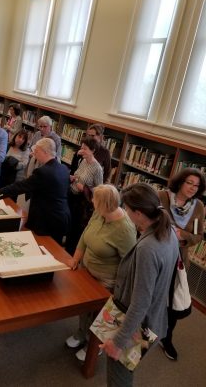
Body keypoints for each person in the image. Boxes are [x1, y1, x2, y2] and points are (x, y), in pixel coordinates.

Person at [100, 183, 178, 387]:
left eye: (126, 208)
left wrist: (118, 343)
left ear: (139, 213)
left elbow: (141, 301)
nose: (124, 212)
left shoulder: (148, 248)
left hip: (138, 325)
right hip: (155, 318)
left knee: (119, 376)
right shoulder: (168, 232)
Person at [65, 184, 137, 361]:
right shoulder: (100, 212)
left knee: (98, 314)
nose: (91, 201)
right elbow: (85, 235)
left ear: (105, 204)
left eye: (95, 200)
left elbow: (128, 264)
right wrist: (76, 258)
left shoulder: (125, 229)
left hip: (106, 280)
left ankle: (93, 345)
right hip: (86, 271)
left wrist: (117, 292)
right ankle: (82, 333)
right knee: (84, 308)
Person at [158, 167, 206, 360]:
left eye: (197, 185)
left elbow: (198, 236)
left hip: (178, 259)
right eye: (189, 183)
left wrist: (182, 235)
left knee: (172, 302)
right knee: (148, 293)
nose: (193, 188)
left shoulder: (198, 207)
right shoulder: (162, 197)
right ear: (180, 181)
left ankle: (166, 337)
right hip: (157, 254)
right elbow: (146, 221)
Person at [0, 138, 71, 244]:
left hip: (47, 220)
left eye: (36, 151)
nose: (33, 153)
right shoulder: (63, 168)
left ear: (44, 152)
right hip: (61, 218)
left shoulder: (43, 172)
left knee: (46, 247)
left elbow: (21, 186)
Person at [65, 136, 103, 255]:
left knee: (76, 229)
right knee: (69, 224)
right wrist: (73, 178)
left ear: (93, 150)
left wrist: (85, 188)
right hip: (72, 196)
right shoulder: (83, 161)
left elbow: (99, 190)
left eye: (85, 149)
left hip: (82, 203)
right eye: (81, 148)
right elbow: (77, 175)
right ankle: (66, 249)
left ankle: (72, 253)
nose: (81, 151)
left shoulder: (97, 168)